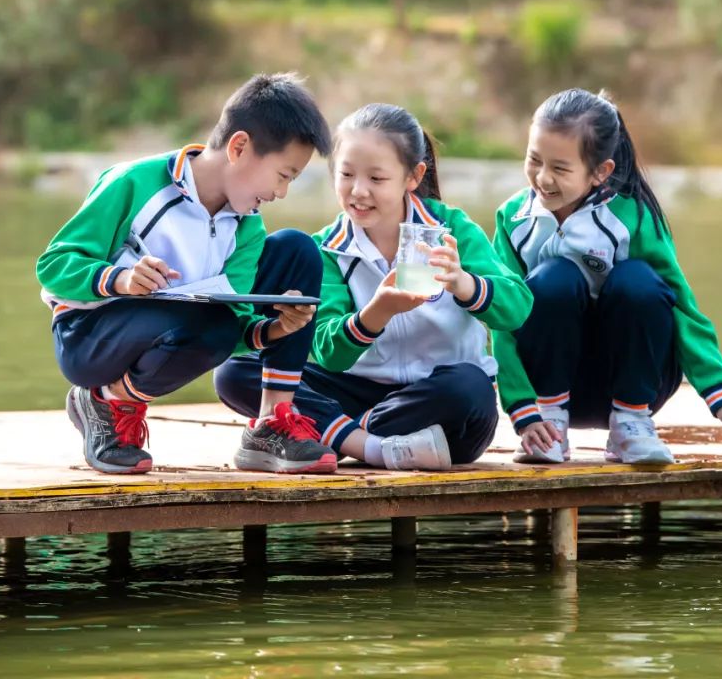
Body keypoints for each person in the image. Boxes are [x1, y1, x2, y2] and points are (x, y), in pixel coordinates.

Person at [36, 73, 337, 475]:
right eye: (284, 175)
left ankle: (272, 423)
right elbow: (53, 266)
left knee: (297, 251)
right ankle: (105, 401)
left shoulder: (247, 227)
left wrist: (277, 329)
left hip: (186, 325)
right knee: (211, 322)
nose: (281, 193)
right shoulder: (134, 182)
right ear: (239, 147)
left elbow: (231, 330)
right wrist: (119, 279)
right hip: (89, 336)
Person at [215, 103, 532, 469]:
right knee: (236, 369)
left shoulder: (451, 230)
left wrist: (464, 283)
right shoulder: (327, 249)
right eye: (346, 174)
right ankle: (374, 446)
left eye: (376, 179)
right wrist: (375, 314)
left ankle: (338, 435)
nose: (358, 191)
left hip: (440, 404)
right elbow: (329, 354)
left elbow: (517, 308)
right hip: (357, 392)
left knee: (470, 387)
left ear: (413, 176)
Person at [492, 88, 722, 467]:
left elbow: (683, 311)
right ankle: (550, 428)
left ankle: (630, 426)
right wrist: (523, 410)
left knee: (638, 282)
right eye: (534, 160)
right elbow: (499, 320)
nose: (542, 178)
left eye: (560, 169)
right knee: (553, 278)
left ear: (600, 171)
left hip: (632, 385)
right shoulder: (512, 219)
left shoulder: (635, 218)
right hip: (548, 393)